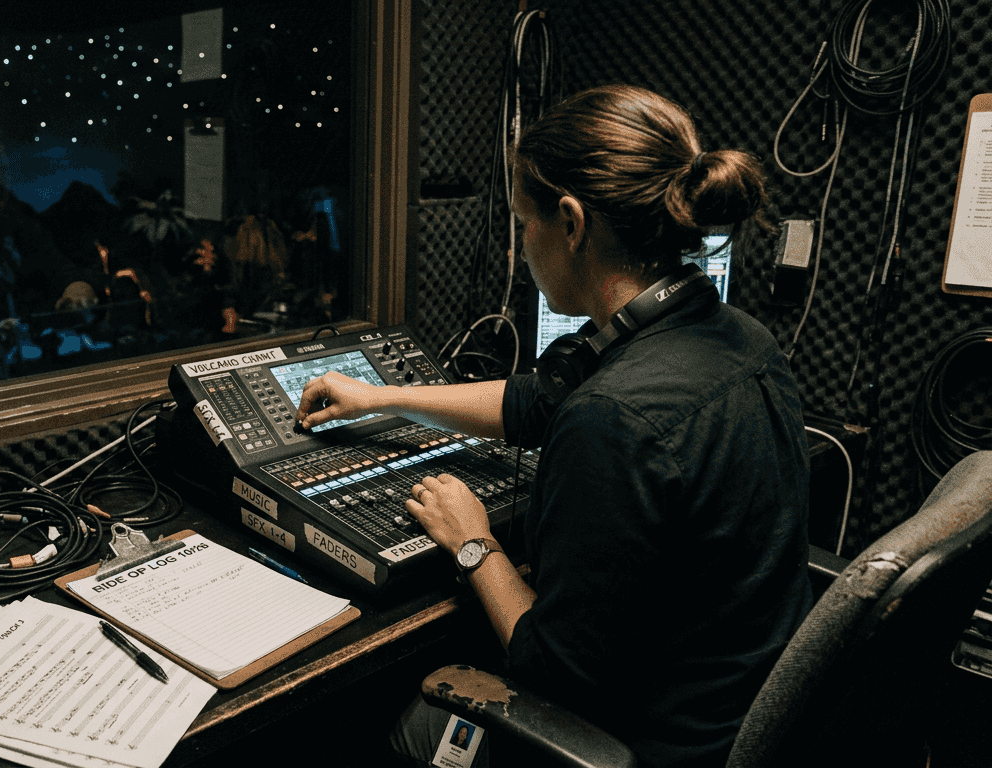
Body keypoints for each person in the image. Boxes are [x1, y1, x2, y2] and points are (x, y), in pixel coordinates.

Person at [294, 85, 811, 768]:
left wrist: (473, 542)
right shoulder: (741, 340)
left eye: (523, 221)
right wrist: (382, 397)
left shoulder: (614, 420)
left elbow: (552, 669)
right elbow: (537, 401)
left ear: (570, 223)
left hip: (648, 745)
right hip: (740, 712)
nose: (525, 242)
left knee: (399, 720)